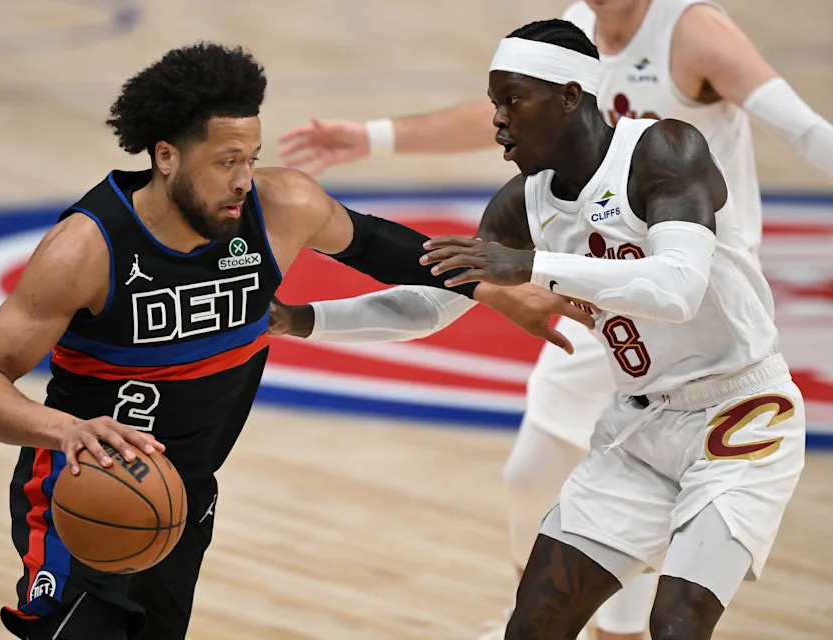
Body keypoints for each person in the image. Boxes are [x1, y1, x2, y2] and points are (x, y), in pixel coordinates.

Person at [0, 43, 592, 640]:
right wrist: (64, 431)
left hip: (181, 498)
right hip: (84, 492)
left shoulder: (280, 206)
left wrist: (500, 290)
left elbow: (389, 250)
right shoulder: (86, 250)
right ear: (166, 154)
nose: (243, 179)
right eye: (226, 162)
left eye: (250, 158)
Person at [277, 3, 833, 638]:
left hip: (742, 413)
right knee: (532, 625)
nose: (497, 122)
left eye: (512, 102)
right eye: (494, 104)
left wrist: (532, 266)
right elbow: (430, 305)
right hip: (640, 425)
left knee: (677, 623)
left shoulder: (663, 150)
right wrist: (300, 318)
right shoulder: (522, 205)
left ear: (570, 96)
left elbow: (678, 287)